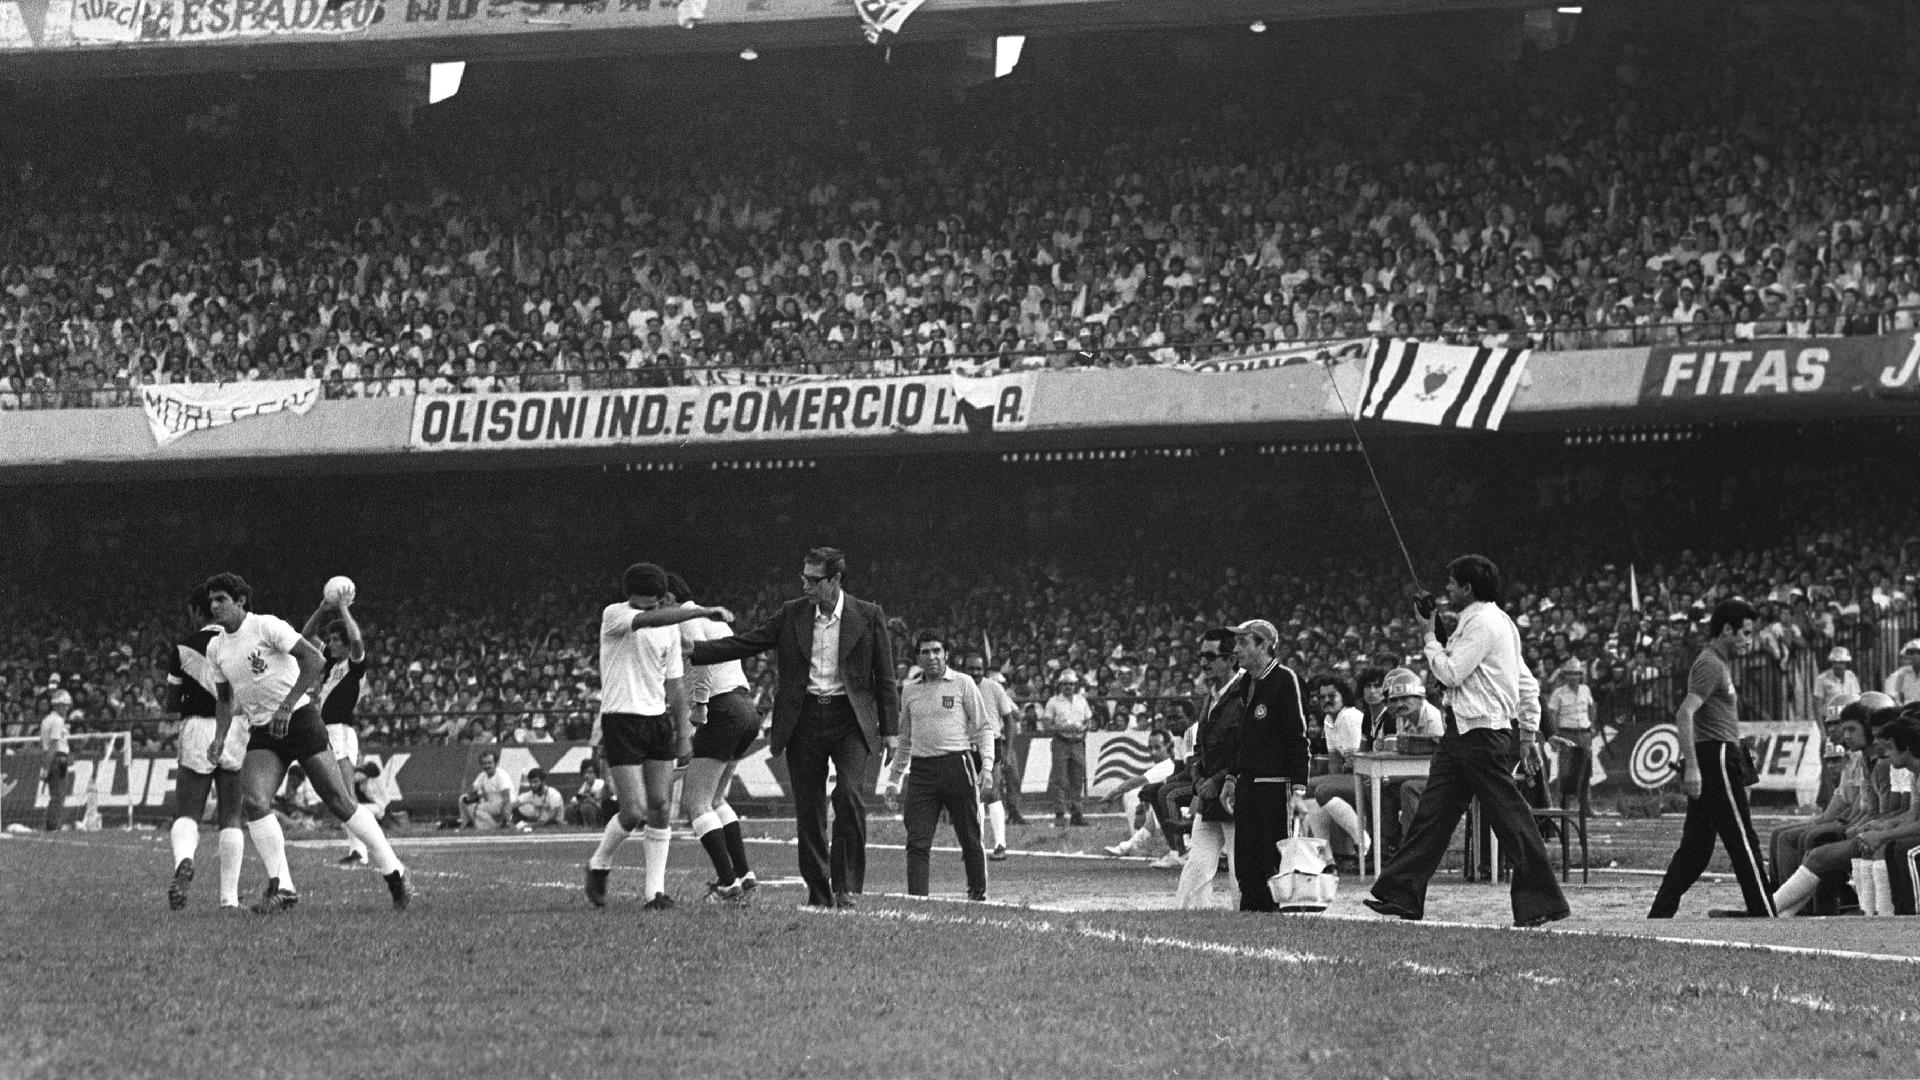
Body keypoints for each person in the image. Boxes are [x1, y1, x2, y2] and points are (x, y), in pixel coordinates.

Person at [686, 547, 899, 909]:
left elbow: (886, 675)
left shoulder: (868, 614)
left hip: (851, 721)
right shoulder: (792, 613)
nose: (805, 585)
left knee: (848, 796)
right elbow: (750, 641)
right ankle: (819, 893)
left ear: (834, 581)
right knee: (809, 809)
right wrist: (697, 650)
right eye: (804, 578)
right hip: (804, 720)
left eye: (813, 580)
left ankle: (844, 887)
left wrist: (890, 729)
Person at [1366, 555, 1569, 928]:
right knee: (1434, 814)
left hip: (1479, 733)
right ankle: (1402, 894)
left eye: (1452, 584)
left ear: (1467, 587)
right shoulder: (1497, 623)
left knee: (1509, 816)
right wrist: (1526, 731)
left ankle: (1543, 901)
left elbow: (1451, 671)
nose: (1447, 590)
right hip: (1463, 732)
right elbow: (1526, 682)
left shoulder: (1481, 624)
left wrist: (1429, 637)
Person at [200, 572, 412, 914]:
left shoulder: (266, 626)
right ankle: (283, 886)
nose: (214, 606)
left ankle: (394, 871)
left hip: (299, 718)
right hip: (264, 730)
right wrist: (219, 737)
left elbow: (314, 660)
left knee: (341, 802)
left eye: (221, 599)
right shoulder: (216, 647)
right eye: (211, 601)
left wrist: (287, 705)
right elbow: (224, 699)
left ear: (240, 602)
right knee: (254, 801)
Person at [583, 561, 725, 910]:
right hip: (621, 719)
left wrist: (683, 732)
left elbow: (675, 685)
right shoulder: (615, 615)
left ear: (662, 597)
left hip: (656, 719)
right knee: (633, 810)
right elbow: (648, 620)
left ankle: (655, 893)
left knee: (661, 807)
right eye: (637, 601)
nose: (642, 608)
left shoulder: (669, 631)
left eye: (649, 601)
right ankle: (599, 863)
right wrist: (703, 611)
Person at [1647, 597, 1776, 919]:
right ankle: (1766, 914)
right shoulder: (1710, 663)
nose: (1749, 640)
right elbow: (1685, 713)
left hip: (1718, 752)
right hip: (1716, 757)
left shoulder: (1719, 663)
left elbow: (1708, 715)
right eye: (1745, 633)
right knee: (1743, 839)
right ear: (1727, 630)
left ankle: (1659, 916)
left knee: (1696, 849)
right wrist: (1692, 766)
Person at [667, 572, 760, 903]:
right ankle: (744, 874)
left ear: (666, 600)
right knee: (717, 799)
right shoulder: (714, 619)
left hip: (722, 707)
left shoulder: (687, 620)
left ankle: (726, 882)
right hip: (746, 707)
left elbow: (701, 661)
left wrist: (701, 706)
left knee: (695, 802)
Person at [1770, 714, 1920, 917]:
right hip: (1881, 826)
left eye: (1889, 747)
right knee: (1817, 846)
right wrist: (1882, 827)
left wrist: (1882, 832)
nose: (1882, 747)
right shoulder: (1909, 772)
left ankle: (1895, 915)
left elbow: (1892, 813)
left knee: (1895, 848)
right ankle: (1778, 910)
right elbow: (1910, 814)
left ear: (1906, 748)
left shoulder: (1889, 768)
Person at [884, 630, 995, 901]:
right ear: (918, 657)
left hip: (957, 765)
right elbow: (905, 739)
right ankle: (918, 900)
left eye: (936, 651)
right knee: (917, 841)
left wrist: (987, 767)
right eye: (925, 652)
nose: (931, 656)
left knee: (970, 836)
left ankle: (977, 893)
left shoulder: (963, 683)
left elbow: (983, 728)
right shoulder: (909, 689)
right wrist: (894, 778)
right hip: (921, 772)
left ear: (946, 654)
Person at [165, 584, 248, 911]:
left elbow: (171, 703)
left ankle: (185, 860)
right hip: (235, 728)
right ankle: (229, 898)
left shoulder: (184, 646)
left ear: (198, 612)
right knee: (231, 816)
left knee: (188, 812)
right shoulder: (239, 641)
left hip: (198, 726)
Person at [1223, 619, 1313, 913]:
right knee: (1245, 859)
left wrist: (1299, 789)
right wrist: (1232, 778)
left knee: (1271, 859)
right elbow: (1243, 738)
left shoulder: (1285, 680)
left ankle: (1276, 913)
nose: (1236, 650)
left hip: (1275, 784)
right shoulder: (1246, 683)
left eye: (1243, 643)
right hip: (1248, 782)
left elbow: (1297, 738)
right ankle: (1250, 915)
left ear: (1263, 645)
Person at [1767, 701, 1873, 890]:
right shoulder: (1852, 757)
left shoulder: (1861, 758)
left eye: (1840, 725)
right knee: (1779, 833)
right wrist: (1820, 820)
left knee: (1799, 837)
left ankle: (1799, 901)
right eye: (1829, 724)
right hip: (1855, 820)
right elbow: (1838, 803)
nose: (1834, 730)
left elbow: (1859, 808)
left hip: (1861, 823)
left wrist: (1835, 823)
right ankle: (1776, 894)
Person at [1175, 629, 1244, 909]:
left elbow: (1244, 746)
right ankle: (1188, 912)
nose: (1204, 662)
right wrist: (1198, 777)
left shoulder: (1244, 694)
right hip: (1209, 791)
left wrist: (1217, 780)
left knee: (1242, 865)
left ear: (1230, 660)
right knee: (1198, 860)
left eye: (1211, 656)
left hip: (1235, 790)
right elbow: (1200, 744)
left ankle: (1249, 916)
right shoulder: (1211, 695)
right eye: (1201, 655)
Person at [303, 590, 370, 865]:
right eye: (329, 639)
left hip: (342, 730)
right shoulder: (330, 663)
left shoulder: (354, 665)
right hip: (327, 730)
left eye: (334, 640)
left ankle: (362, 851)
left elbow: (355, 638)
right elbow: (306, 635)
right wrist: (321, 609)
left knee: (346, 792)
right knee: (337, 793)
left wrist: (343, 608)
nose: (330, 643)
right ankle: (359, 848)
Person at [962, 651, 1025, 859]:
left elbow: (1009, 720)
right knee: (972, 795)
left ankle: (1000, 845)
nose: (975, 672)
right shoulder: (958, 688)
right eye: (971, 668)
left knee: (992, 791)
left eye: (979, 668)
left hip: (991, 743)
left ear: (984, 669)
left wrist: (1007, 751)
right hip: (965, 745)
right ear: (964, 669)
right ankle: (975, 846)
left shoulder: (995, 688)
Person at [1103, 728, 1185, 865]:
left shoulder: (1167, 765)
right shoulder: (1166, 766)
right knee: (1154, 801)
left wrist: (1112, 794)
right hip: (1181, 814)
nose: (1153, 752)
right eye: (1150, 748)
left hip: (1186, 816)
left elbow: (1137, 781)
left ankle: (1177, 851)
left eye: (1158, 747)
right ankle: (1131, 845)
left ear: (1168, 747)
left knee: (1137, 795)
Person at [1043, 670, 1093, 827]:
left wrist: (1083, 728)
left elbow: (1089, 721)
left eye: (1071, 684)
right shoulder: (1053, 702)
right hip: (1061, 741)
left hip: (1077, 742)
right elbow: (1046, 724)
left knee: (1077, 778)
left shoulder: (1082, 701)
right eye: (1065, 684)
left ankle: (1076, 813)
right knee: (1059, 779)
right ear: (1060, 685)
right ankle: (1059, 813)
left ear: (1075, 685)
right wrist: (1061, 727)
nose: (1068, 687)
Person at [1545, 658, 1596, 811]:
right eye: (1570, 674)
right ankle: (1564, 806)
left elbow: (1591, 707)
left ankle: (1586, 806)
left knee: (1586, 770)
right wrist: (1554, 733)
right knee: (1566, 771)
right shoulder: (1558, 693)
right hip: (1567, 733)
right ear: (1565, 676)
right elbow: (1552, 714)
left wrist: (1591, 725)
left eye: (1576, 674)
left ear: (1580, 675)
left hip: (1584, 733)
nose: (1573, 677)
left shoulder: (1585, 689)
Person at [38, 691, 71, 832]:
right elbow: (53, 745)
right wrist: (46, 767)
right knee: (59, 795)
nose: (67, 709)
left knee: (55, 794)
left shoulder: (46, 720)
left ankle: (52, 825)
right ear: (59, 706)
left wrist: (45, 765)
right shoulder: (58, 721)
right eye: (65, 706)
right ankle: (53, 826)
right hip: (59, 759)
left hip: (52, 758)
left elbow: (45, 746)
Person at [459, 749, 516, 829]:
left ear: (496, 763)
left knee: (474, 808)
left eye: (489, 763)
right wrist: (473, 794)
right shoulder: (483, 775)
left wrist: (506, 819)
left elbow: (507, 800)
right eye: (484, 763)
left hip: (501, 805)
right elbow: (472, 790)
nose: (487, 766)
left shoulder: (502, 776)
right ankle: (466, 823)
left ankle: (496, 824)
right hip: (490, 804)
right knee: (462, 799)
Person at [568, 760, 609, 828]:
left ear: (595, 773)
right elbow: (574, 800)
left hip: (601, 813)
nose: (587, 775)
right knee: (570, 808)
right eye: (585, 773)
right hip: (586, 810)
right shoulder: (584, 786)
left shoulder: (600, 783)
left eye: (590, 772)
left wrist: (589, 798)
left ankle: (593, 827)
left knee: (587, 807)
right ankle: (576, 827)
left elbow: (600, 801)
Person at [1885, 640, 1920, 706]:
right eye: (1911, 653)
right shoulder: (1900, 675)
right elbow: (1891, 693)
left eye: (1919, 652)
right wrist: (1897, 702)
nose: (1915, 656)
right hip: (1907, 712)